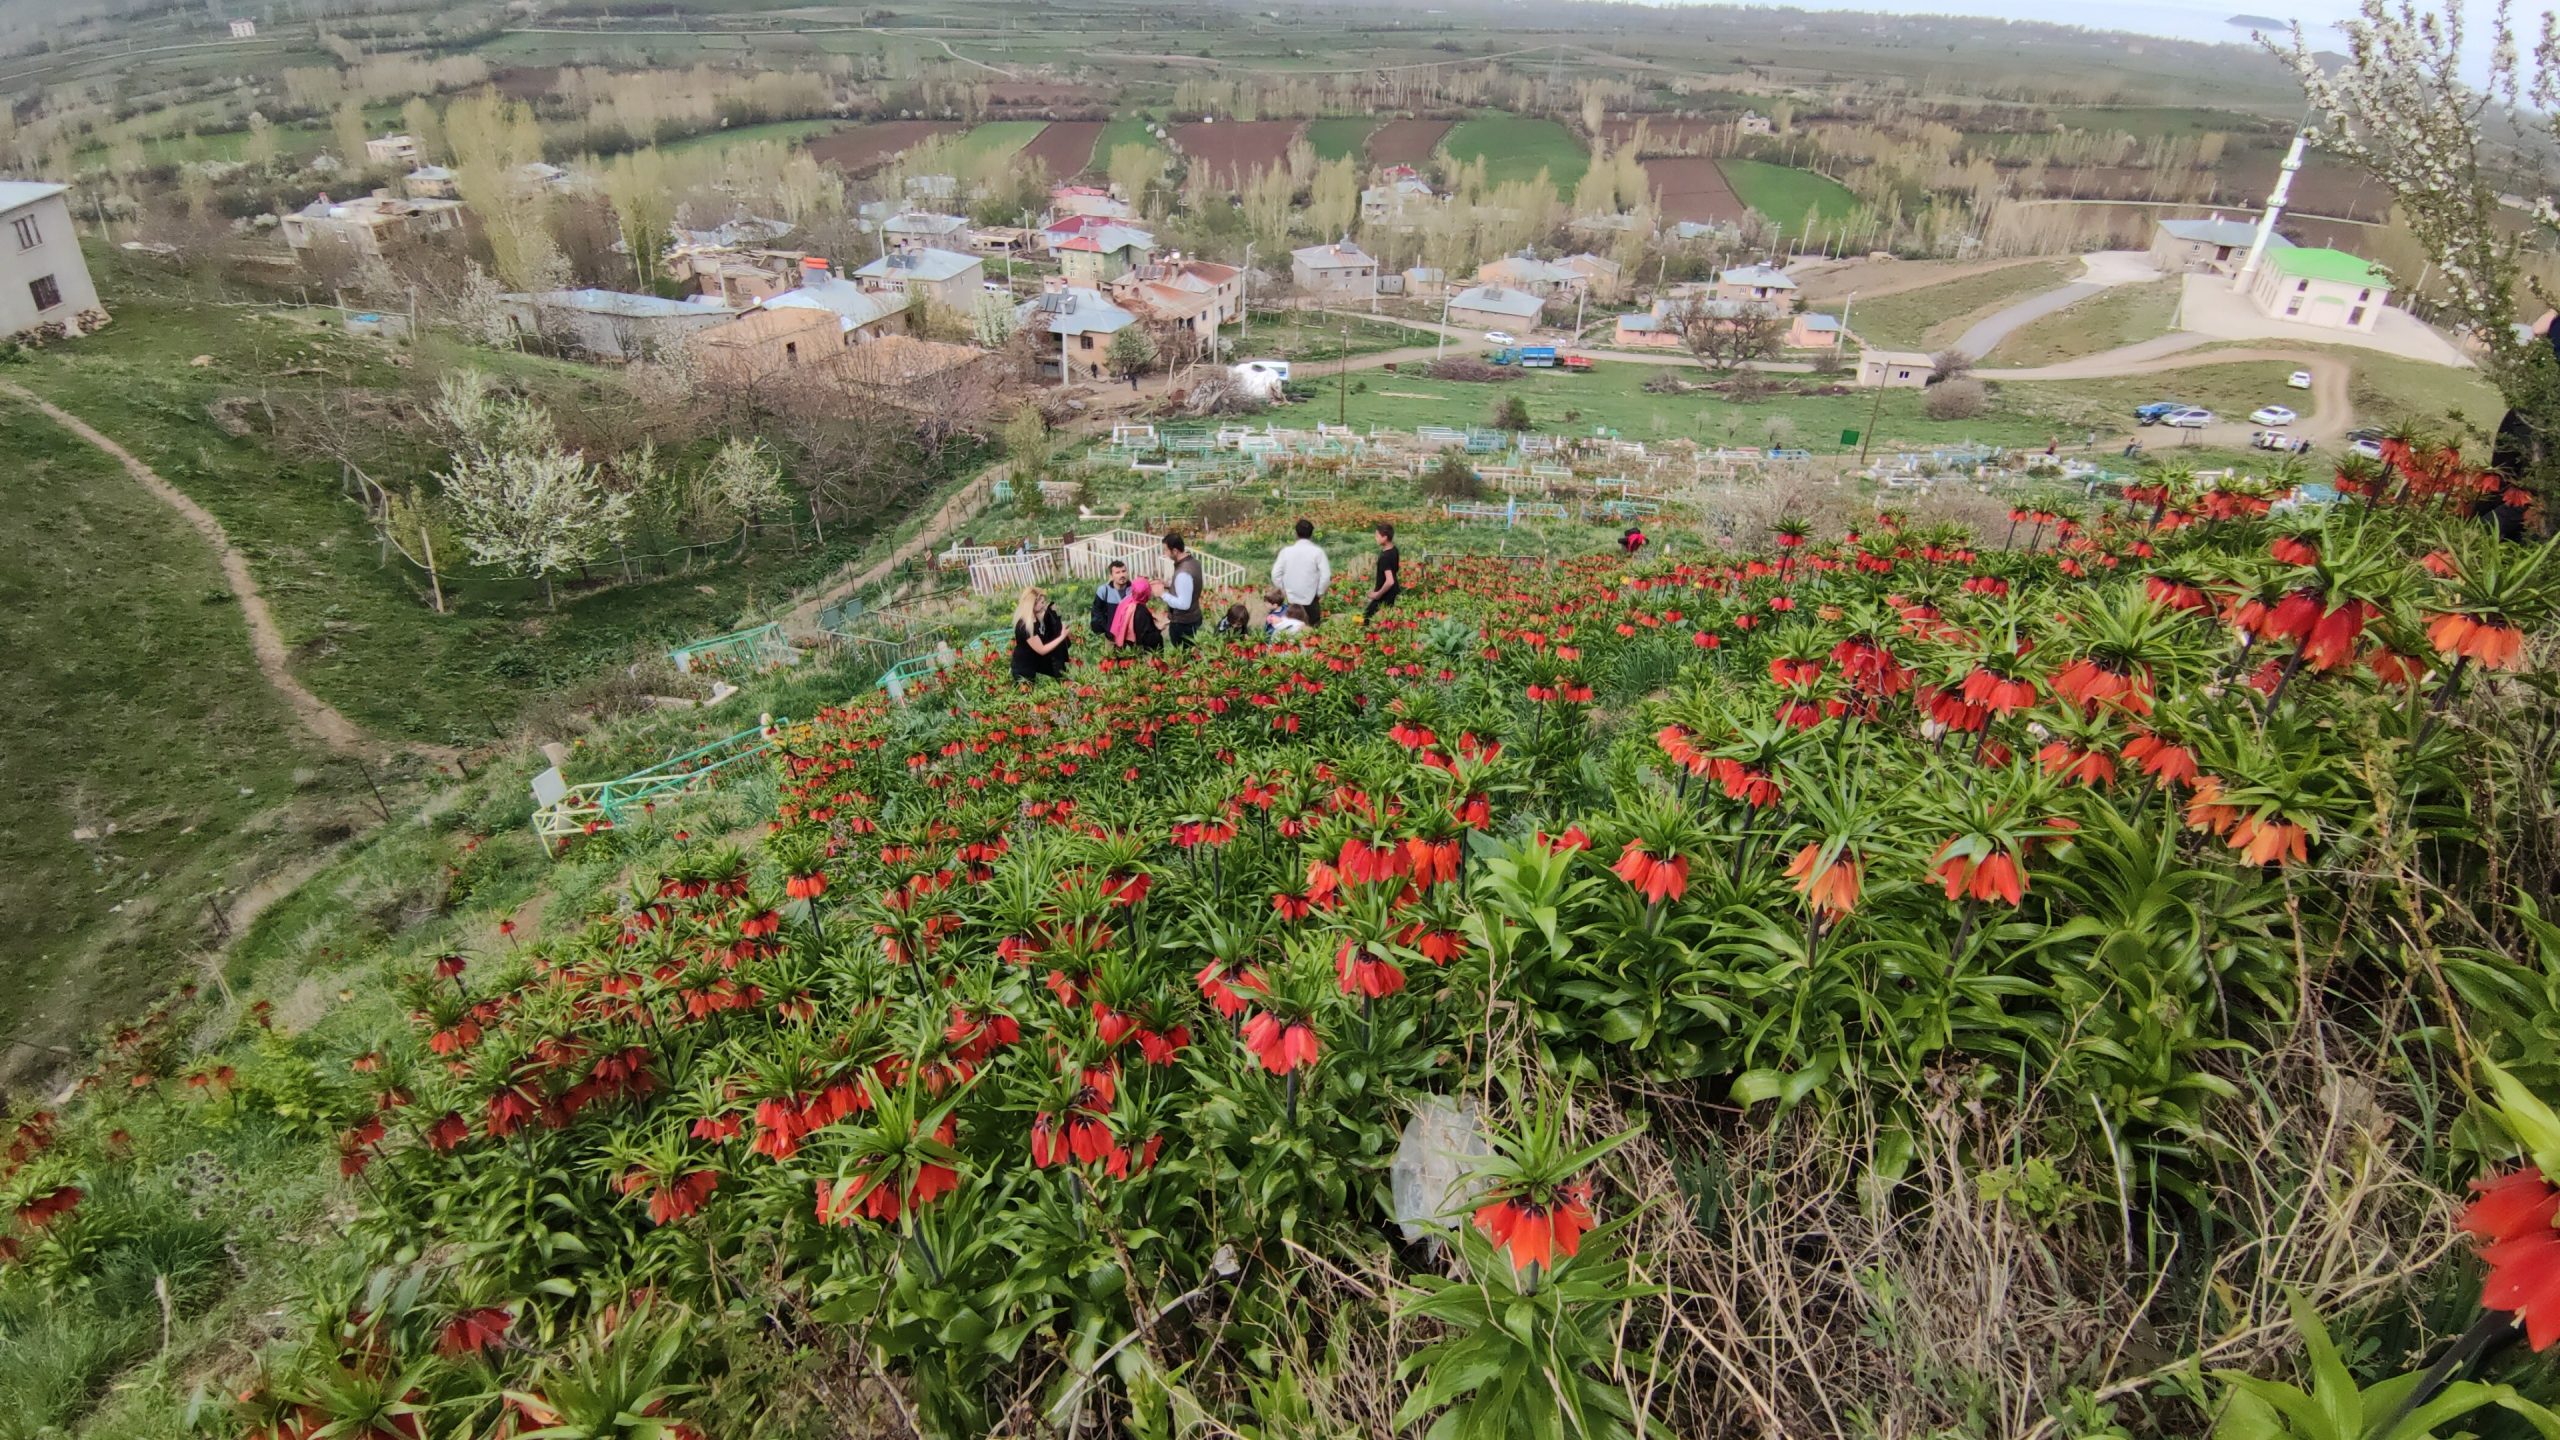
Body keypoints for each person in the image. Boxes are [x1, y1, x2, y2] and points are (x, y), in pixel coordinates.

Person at [1271, 517, 1332, 626]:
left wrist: (1284, 590)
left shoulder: (1286, 552)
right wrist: (1319, 592)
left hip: (1292, 600)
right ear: (1311, 534)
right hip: (1311, 599)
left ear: (1296, 534)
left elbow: (1275, 574)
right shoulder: (1317, 552)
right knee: (1313, 632)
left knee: (1292, 630)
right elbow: (1326, 576)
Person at [1010, 587, 1070, 683]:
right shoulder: (1025, 626)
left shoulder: (1034, 618)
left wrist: (1052, 613)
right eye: (1042, 602)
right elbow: (1042, 650)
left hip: (1033, 663)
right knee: (1026, 690)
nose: (1044, 605)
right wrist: (1062, 636)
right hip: (1023, 668)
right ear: (1033, 604)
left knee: (1062, 674)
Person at [1163, 532, 1205, 647]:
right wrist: (1169, 585)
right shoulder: (1193, 562)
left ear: (1175, 551)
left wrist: (1162, 594)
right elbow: (1188, 586)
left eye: (1166, 550)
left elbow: (1184, 604)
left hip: (1183, 623)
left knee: (1184, 654)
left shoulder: (1183, 572)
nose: (1165, 553)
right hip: (1193, 617)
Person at [1109, 576, 1164, 651]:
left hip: (1125, 647)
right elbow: (1147, 638)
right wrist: (1159, 629)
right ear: (1146, 593)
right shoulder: (1141, 611)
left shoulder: (1126, 602)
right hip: (1139, 651)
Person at [1364, 522, 1401, 622]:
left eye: (1377, 536)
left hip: (1385, 593)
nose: (1375, 538)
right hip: (1393, 591)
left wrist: (1377, 594)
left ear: (1385, 537)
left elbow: (1390, 581)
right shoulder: (1394, 550)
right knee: (1388, 618)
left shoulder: (1385, 557)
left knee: (1366, 617)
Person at [1090, 560, 1130, 639]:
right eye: (1117, 572)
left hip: (1129, 636)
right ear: (1111, 576)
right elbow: (1096, 611)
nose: (1122, 575)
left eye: (1123, 571)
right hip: (1111, 636)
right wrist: (1108, 629)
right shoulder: (1104, 590)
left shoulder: (1133, 590)